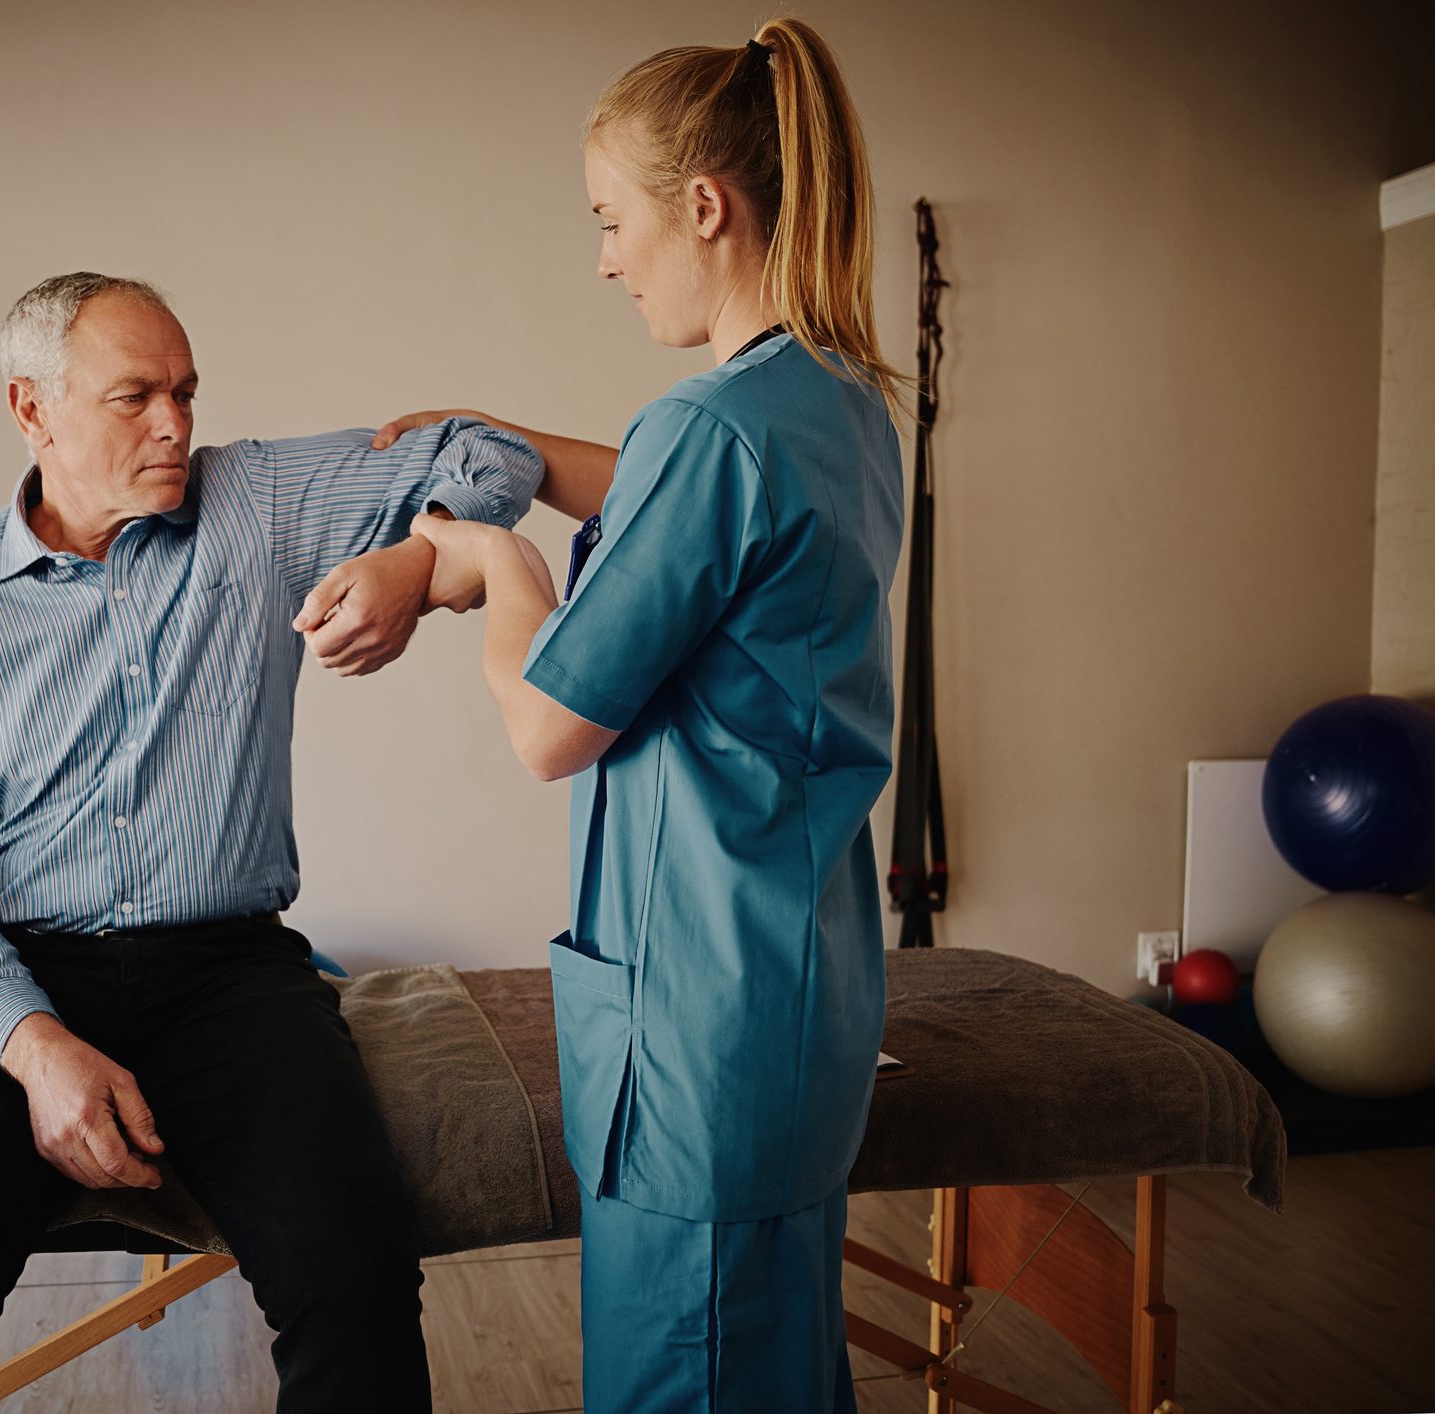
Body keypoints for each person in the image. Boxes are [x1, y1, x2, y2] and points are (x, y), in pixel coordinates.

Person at [0, 271, 543, 1413]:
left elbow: (490, 450)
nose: (175, 426)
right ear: (31, 409)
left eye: (187, 392)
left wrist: (412, 559)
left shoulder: (247, 502)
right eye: (134, 397)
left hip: (229, 975)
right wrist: (36, 1047)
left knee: (355, 1284)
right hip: (10, 978)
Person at [387, 20, 906, 1410]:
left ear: (703, 206)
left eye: (612, 220)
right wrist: (505, 438)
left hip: (697, 1037)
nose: (607, 257)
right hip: (796, 997)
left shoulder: (712, 431)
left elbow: (550, 723)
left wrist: (499, 565)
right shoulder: (843, 408)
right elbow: (689, 502)